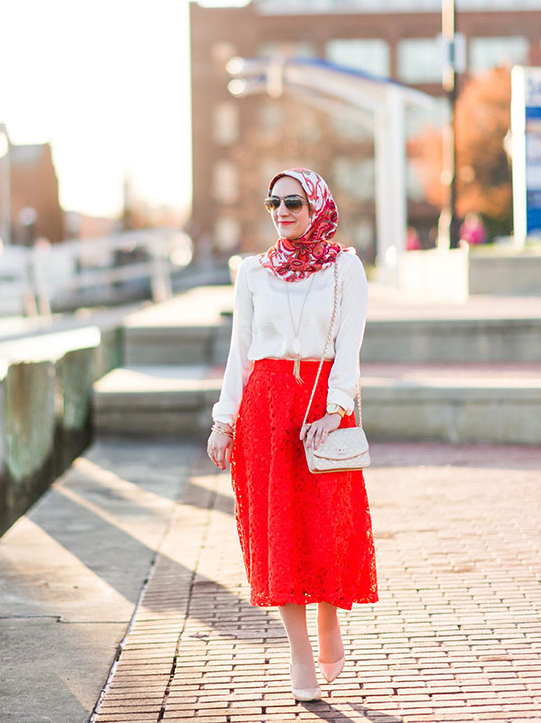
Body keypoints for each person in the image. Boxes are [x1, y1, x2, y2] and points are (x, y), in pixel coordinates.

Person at [207, 167, 378, 702]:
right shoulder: (254, 271)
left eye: (294, 202)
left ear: (317, 207)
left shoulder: (345, 269)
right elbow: (240, 351)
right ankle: (299, 653)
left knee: (329, 523)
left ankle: (330, 619)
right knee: (279, 532)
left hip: (323, 406)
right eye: (274, 203)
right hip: (265, 408)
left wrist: (336, 408)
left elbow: (349, 346)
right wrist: (223, 419)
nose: (282, 211)